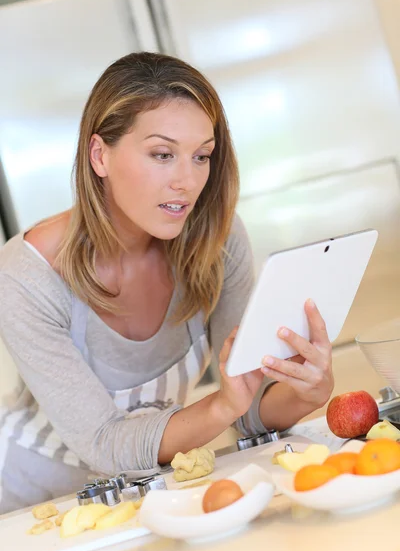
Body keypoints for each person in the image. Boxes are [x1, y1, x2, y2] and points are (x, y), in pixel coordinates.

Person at [0, 52, 334, 514]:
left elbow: (250, 407)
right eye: (162, 154)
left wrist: (305, 391)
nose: (187, 180)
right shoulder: (26, 273)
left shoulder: (219, 240)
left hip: (145, 495)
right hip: (29, 502)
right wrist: (219, 406)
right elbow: (104, 442)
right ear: (99, 155)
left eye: (202, 156)